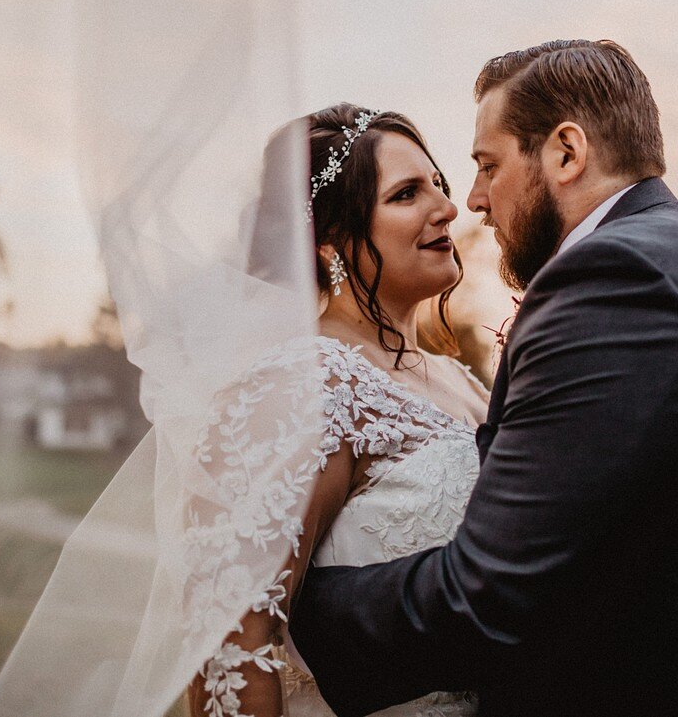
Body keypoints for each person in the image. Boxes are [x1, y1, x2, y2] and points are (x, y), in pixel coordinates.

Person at [287, 40, 678, 717]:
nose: (469, 201)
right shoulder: (676, 251)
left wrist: (295, 609)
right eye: (411, 191)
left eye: (485, 167)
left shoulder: (619, 279)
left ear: (566, 153)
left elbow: (492, 597)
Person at [187, 104, 489, 717]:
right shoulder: (302, 386)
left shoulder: (466, 383)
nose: (447, 209)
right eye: (407, 194)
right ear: (330, 242)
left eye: (441, 186)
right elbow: (233, 642)